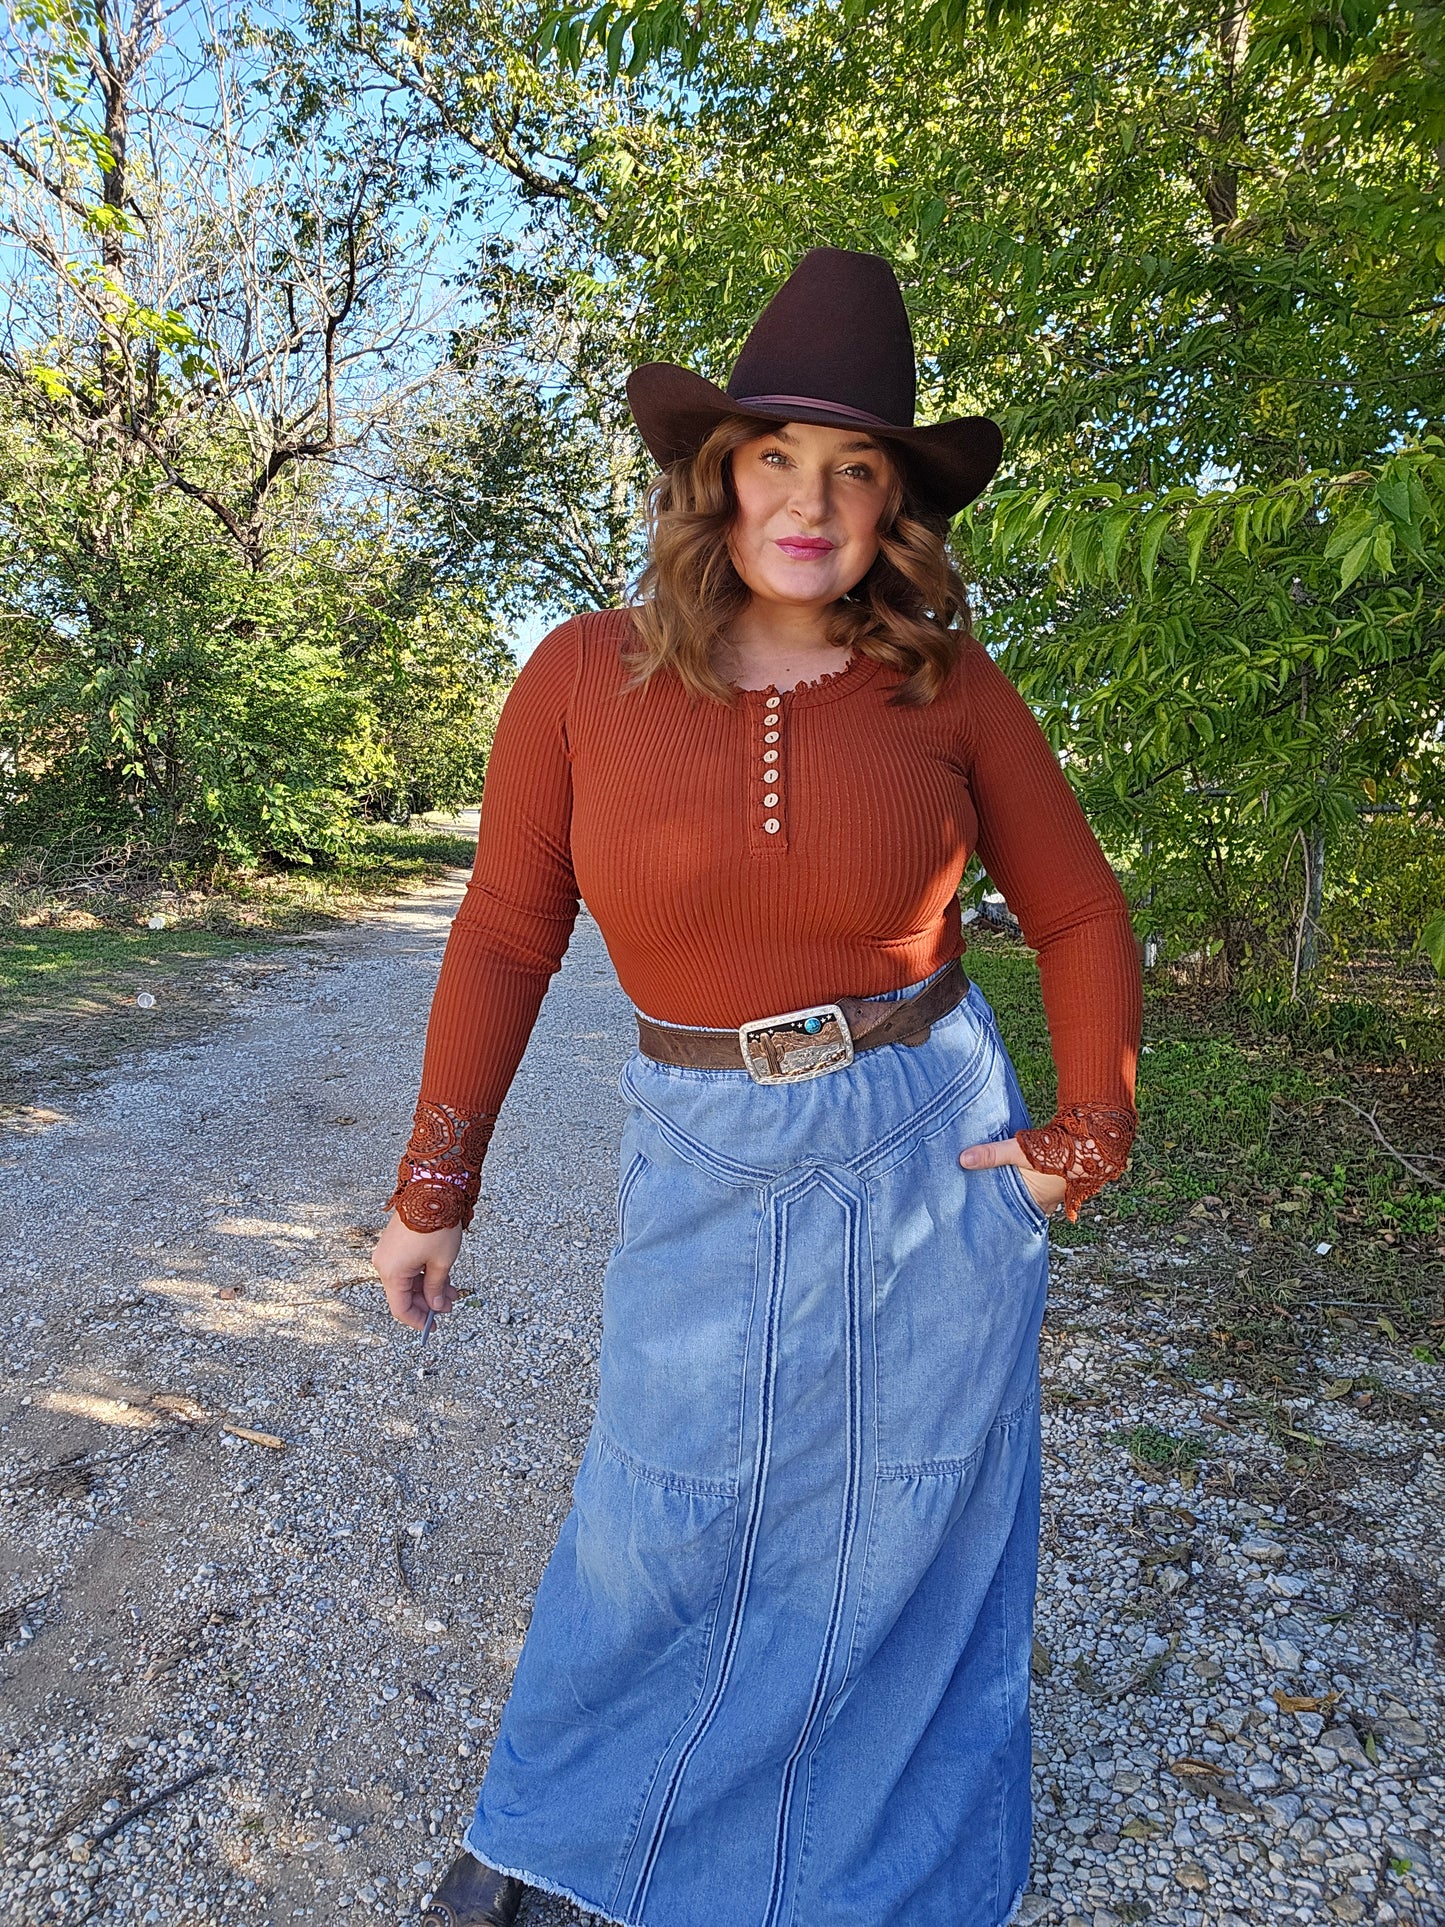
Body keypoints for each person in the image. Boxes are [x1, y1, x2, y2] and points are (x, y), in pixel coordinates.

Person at [372, 247, 1141, 1927]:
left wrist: (1091, 1122)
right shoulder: (580, 677)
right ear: (713, 473)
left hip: (926, 1135)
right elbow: (506, 931)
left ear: (894, 507)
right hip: (703, 1137)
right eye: (777, 457)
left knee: (909, 1517)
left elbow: (1080, 908)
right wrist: (435, 1185)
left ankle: (874, 1869)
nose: (812, 500)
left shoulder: (948, 687)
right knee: (664, 1510)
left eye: (855, 469)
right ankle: (573, 1848)